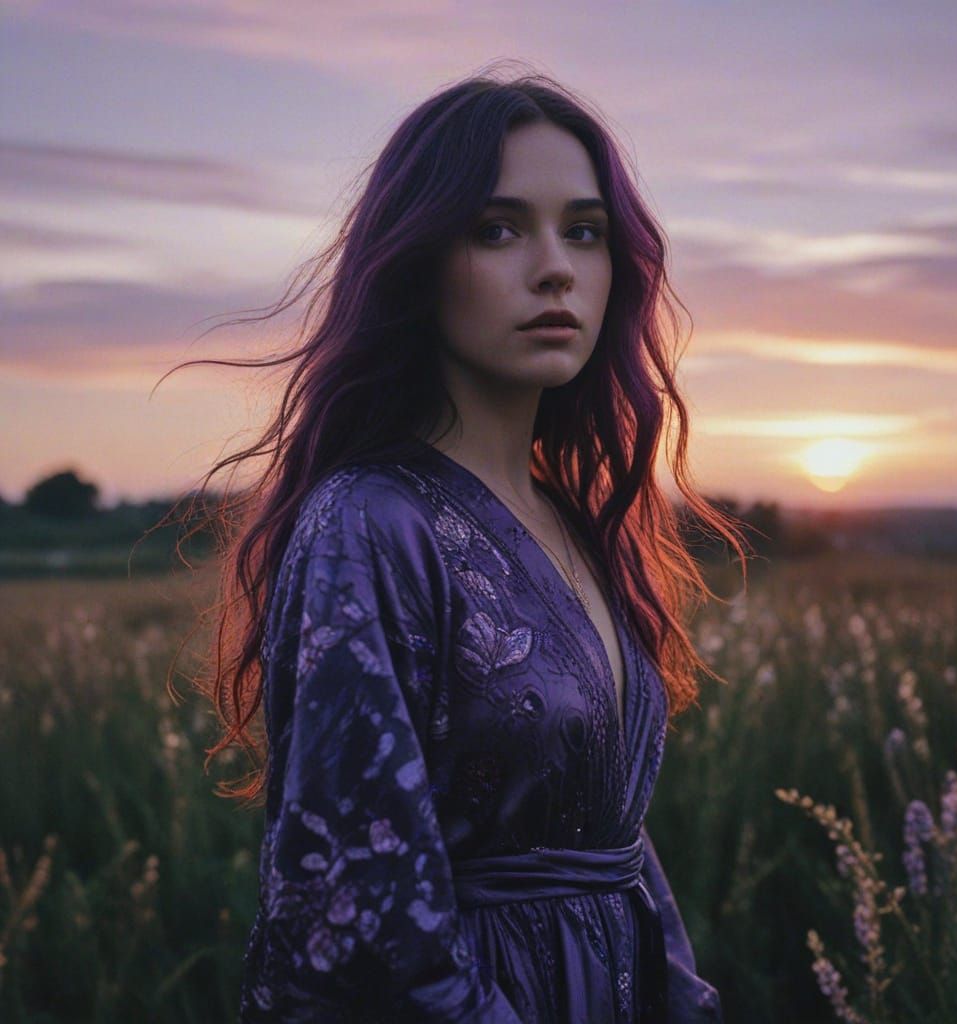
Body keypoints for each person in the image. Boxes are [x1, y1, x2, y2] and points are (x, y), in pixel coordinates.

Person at [177, 64, 748, 1023]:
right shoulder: (370, 523)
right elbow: (362, 906)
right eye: (497, 229)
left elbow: (614, 839)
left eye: (583, 230)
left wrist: (683, 996)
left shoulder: (579, 522)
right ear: (419, 261)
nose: (555, 266)